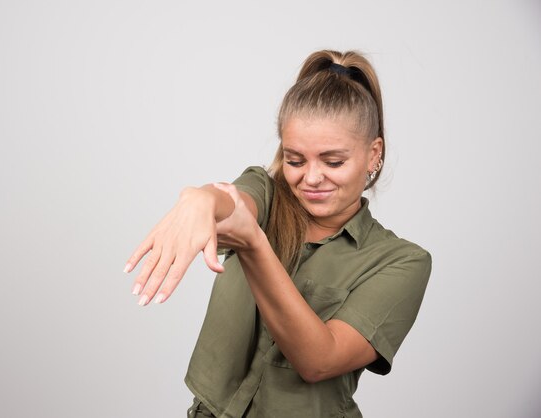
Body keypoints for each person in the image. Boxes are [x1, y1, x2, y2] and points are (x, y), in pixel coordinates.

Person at [124, 49, 431, 418]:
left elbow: (320, 360)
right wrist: (202, 199)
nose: (312, 178)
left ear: (373, 154)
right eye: (295, 160)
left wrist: (254, 243)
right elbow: (235, 203)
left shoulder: (402, 262)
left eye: (333, 162)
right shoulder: (266, 195)